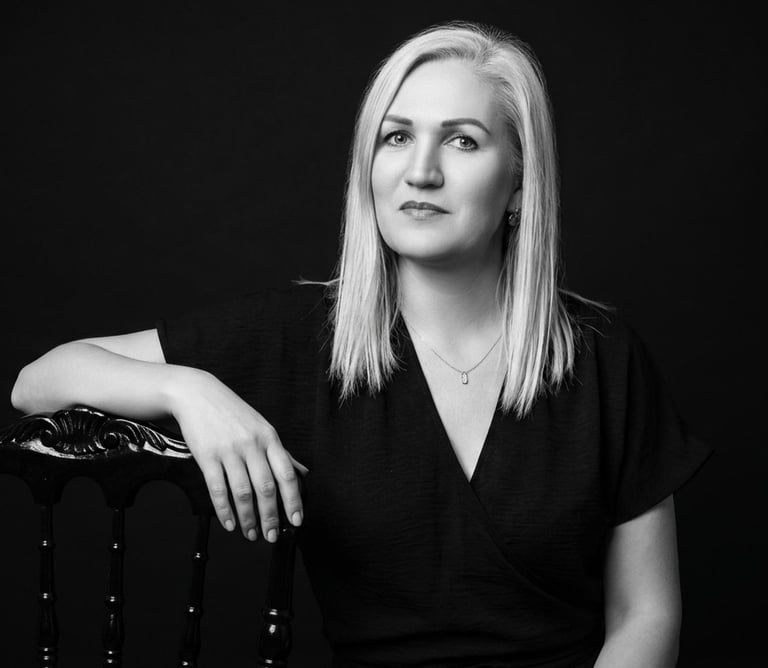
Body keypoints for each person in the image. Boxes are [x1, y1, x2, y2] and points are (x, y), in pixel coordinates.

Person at [11, 21, 712, 668]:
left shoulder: (603, 357)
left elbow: (645, 614)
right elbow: (38, 381)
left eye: (463, 140)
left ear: (521, 183)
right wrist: (186, 389)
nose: (422, 171)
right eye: (397, 136)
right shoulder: (299, 336)